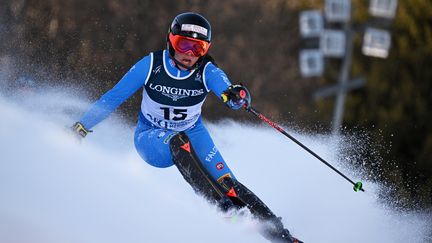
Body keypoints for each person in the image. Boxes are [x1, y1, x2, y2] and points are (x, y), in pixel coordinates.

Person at [72, 12, 302, 243]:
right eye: (184, 45)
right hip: (151, 137)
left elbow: (229, 91)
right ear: (171, 42)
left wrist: (237, 96)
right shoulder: (152, 64)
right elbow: (114, 97)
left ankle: (281, 235)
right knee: (177, 141)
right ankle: (220, 208)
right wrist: (82, 126)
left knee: (229, 185)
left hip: (193, 132)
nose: (189, 54)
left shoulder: (207, 71)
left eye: (198, 49)